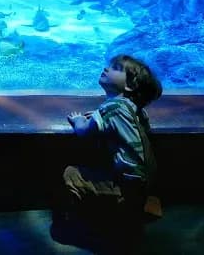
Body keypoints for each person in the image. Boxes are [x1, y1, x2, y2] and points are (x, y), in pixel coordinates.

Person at [51, 54, 163, 251]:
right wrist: (97, 116)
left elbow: (84, 133)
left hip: (127, 184)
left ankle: (92, 227)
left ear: (129, 86)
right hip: (147, 178)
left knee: (71, 174)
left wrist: (79, 121)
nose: (106, 69)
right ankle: (138, 206)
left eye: (116, 68)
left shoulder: (111, 107)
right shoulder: (135, 109)